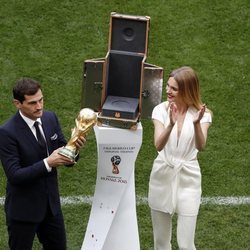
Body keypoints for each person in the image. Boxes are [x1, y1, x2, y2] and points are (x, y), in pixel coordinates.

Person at [0, 78, 85, 250]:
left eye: (41, 100)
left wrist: (74, 148)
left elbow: (64, 151)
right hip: (23, 211)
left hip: (51, 209)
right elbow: (15, 175)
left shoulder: (50, 118)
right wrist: (48, 162)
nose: (39, 106)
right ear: (17, 103)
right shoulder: (7, 132)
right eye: (32, 103)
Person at [148, 66, 212, 250]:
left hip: (189, 177)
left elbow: (201, 145)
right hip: (162, 174)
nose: (168, 91)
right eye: (168, 86)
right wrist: (171, 125)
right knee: (161, 243)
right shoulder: (160, 110)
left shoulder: (203, 114)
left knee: (186, 244)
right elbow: (158, 145)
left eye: (174, 88)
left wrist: (197, 124)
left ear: (187, 90)